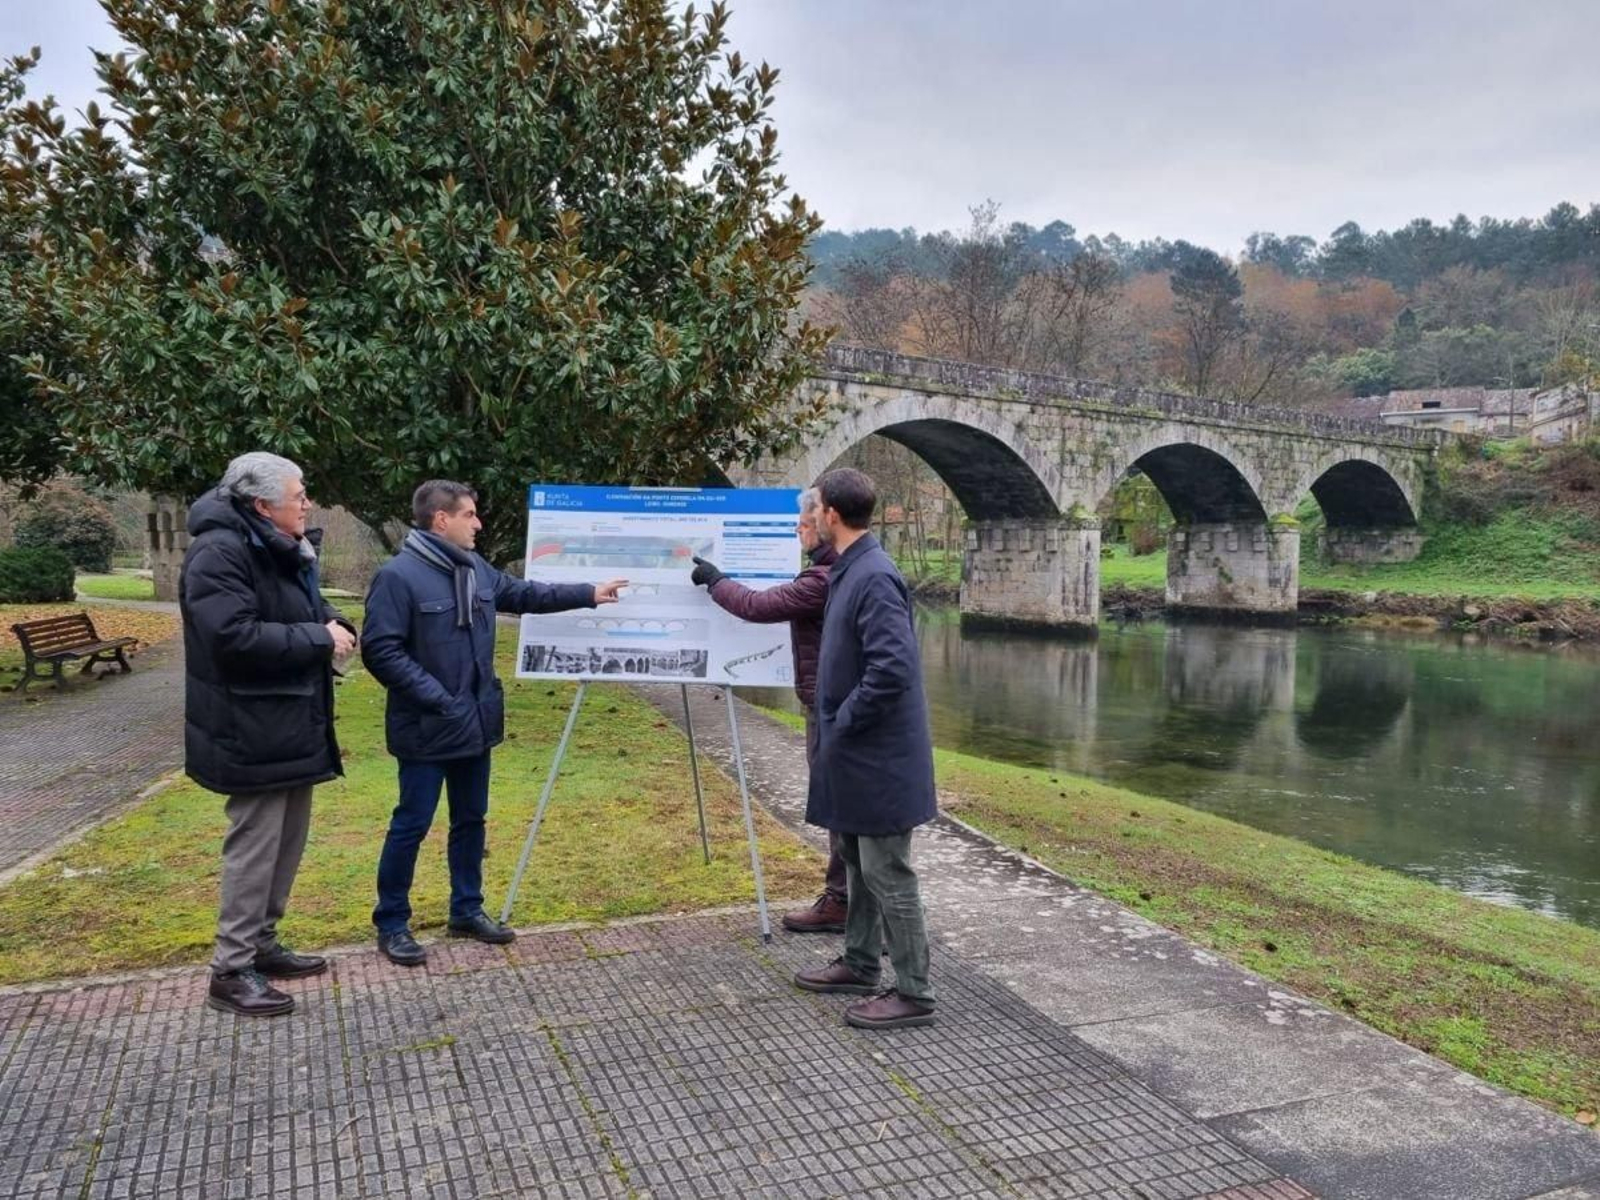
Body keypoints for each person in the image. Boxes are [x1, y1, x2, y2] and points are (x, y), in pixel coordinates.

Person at [361, 480, 625, 966]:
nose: (478, 524)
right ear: (441, 519)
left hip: (474, 725)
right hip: (426, 728)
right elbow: (381, 651)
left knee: (470, 820)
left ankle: (466, 909)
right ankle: (392, 922)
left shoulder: (475, 568)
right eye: (470, 515)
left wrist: (589, 592)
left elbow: (524, 594)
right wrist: (440, 700)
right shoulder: (398, 577)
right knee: (411, 824)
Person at [181, 451, 358, 1018]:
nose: (307, 503)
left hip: (289, 722)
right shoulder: (220, 552)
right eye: (299, 495)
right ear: (262, 505)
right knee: (255, 847)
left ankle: (261, 943)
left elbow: (305, 606)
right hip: (250, 727)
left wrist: (336, 623)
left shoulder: (278, 545)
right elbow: (232, 637)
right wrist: (319, 639)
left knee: (286, 843)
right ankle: (231, 971)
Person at [793, 467, 938, 1030]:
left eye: (815, 508)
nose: (810, 517)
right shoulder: (849, 568)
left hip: (878, 757)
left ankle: (915, 992)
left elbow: (892, 669)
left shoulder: (874, 575)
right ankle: (859, 963)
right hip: (855, 754)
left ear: (832, 514)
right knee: (856, 862)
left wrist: (842, 720)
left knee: (887, 871)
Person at [688, 488, 843, 932]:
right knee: (838, 804)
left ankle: (844, 902)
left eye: (804, 524)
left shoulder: (822, 580)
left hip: (830, 708)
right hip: (828, 703)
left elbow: (757, 606)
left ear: (826, 524)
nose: (798, 531)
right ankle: (844, 898)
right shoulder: (835, 572)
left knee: (839, 806)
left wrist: (716, 580)